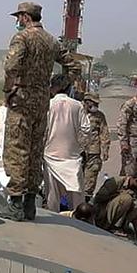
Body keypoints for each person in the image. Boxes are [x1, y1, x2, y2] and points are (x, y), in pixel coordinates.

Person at [1, 1, 75, 221]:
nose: (18, 21)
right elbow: (72, 64)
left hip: (22, 102)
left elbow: (10, 66)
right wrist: (55, 86)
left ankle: (15, 204)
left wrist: (9, 89)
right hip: (42, 102)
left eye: (19, 17)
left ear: (25, 17)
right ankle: (30, 204)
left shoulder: (22, 38)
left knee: (16, 150)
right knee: (35, 150)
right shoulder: (52, 41)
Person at [42, 74, 86, 210]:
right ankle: (79, 221)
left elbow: (42, 130)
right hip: (72, 158)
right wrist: (79, 147)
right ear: (68, 89)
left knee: (52, 196)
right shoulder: (77, 106)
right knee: (77, 196)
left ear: (52, 89)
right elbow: (86, 129)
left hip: (50, 157)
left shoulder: (47, 106)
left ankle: (55, 225)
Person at [90, 169, 137, 248]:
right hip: (102, 214)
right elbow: (99, 198)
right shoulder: (115, 182)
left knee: (135, 200)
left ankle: (122, 226)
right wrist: (120, 194)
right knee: (126, 199)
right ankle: (111, 226)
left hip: (119, 220)